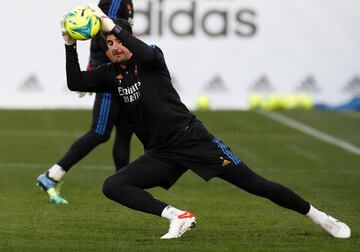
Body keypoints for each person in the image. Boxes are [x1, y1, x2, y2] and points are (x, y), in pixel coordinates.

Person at [61, 6, 351, 240]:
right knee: (113, 185)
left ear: (128, 38)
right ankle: (178, 216)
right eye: (109, 44)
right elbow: (75, 82)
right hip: (160, 153)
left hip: (193, 140)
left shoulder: (151, 58)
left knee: (256, 185)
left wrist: (112, 26)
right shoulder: (111, 74)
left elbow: (146, 51)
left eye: (118, 41)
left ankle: (320, 217)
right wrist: (69, 44)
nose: (115, 47)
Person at [36, 0, 134, 204]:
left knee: (126, 128)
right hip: (112, 74)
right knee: (99, 132)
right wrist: (95, 71)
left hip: (119, 72)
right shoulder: (114, 1)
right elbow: (104, 33)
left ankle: (126, 185)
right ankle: (52, 175)